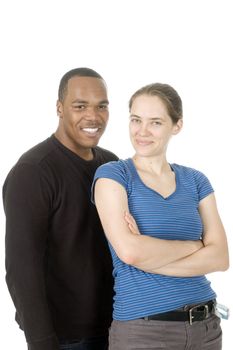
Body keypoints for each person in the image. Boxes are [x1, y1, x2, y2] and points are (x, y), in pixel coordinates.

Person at [92, 83, 229, 350]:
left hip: (207, 328)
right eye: (136, 120)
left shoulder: (196, 181)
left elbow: (221, 258)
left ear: (176, 126)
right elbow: (130, 253)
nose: (142, 131)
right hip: (144, 331)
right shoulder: (114, 176)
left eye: (155, 122)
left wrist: (148, 255)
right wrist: (195, 247)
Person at [3, 67, 118, 350]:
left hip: (118, 326)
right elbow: (21, 268)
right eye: (80, 106)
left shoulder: (111, 165)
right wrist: (41, 341)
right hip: (66, 337)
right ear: (59, 108)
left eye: (101, 106)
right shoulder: (33, 171)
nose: (93, 116)